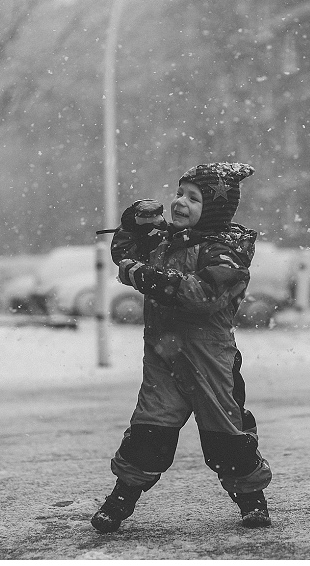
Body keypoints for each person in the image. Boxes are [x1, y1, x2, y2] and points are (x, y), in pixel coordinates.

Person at [91, 162, 272, 534]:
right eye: (179, 193)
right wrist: (132, 226)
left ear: (215, 209)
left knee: (226, 435)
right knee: (149, 429)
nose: (179, 202)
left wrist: (149, 277)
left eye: (193, 197)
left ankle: (251, 497)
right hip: (164, 356)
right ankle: (122, 496)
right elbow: (127, 253)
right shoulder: (166, 239)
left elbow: (203, 294)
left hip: (210, 358)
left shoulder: (226, 250)